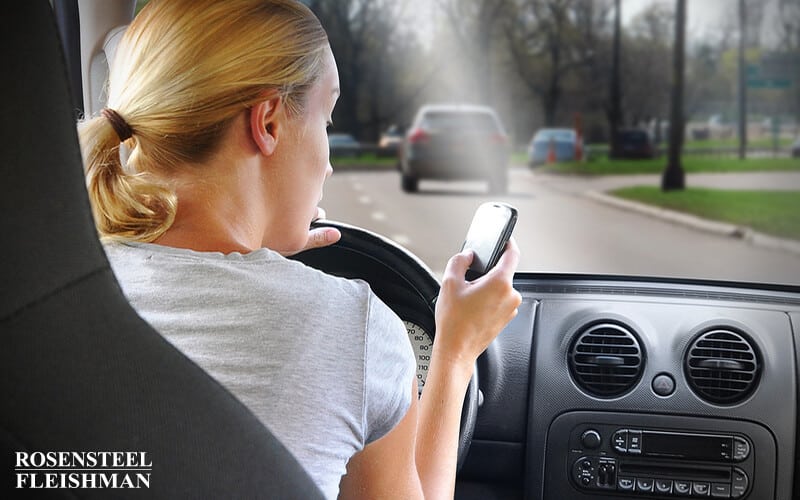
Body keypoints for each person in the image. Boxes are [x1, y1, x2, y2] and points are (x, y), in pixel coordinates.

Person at [78, 0, 521, 498]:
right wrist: (456, 354)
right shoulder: (352, 327)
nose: (328, 164)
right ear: (268, 122)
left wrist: (252, 256)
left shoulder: (55, 294)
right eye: (326, 120)